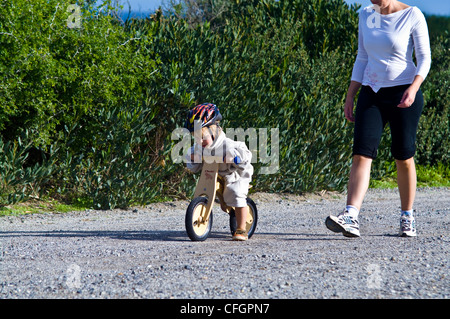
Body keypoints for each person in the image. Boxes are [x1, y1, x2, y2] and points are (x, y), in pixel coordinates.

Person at [325, 0, 431, 238]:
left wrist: (413, 89)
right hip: (371, 92)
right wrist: (351, 95)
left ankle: (407, 216)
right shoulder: (366, 14)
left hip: (404, 92)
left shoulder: (412, 15)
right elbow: (362, 57)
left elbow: (425, 59)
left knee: (403, 157)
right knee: (361, 153)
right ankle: (351, 215)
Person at [185, 103, 254, 241]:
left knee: (236, 192)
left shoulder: (228, 145)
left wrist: (235, 158)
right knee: (203, 186)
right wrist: (192, 159)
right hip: (214, 175)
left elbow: (246, 155)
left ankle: (241, 228)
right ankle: (200, 211)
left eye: (202, 137)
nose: (200, 141)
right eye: (196, 137)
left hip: (235, 175)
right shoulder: (200, 147)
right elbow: (194, 167)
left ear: (214, 131)